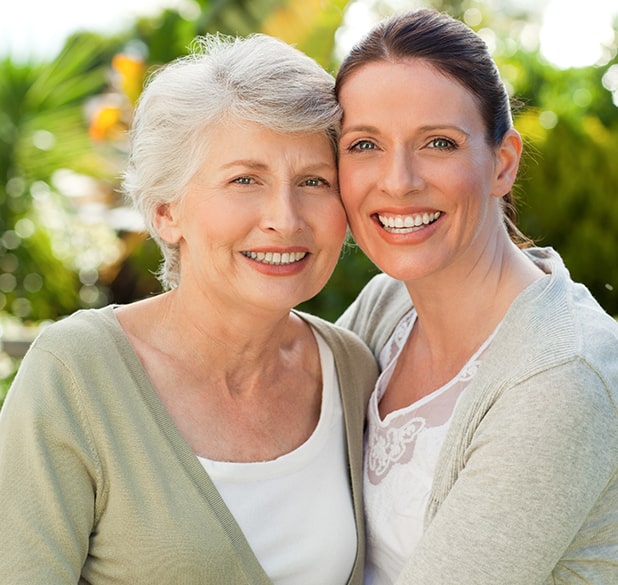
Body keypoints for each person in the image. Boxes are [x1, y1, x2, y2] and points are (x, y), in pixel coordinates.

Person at [0, 33, 378, 584]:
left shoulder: (353, 369)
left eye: (314, 181)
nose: (286, 218)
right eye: (245, 179)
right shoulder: (77, 373)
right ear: (165, 212)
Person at [335, 8, 618, 585]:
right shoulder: (386, 304)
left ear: (503, 164)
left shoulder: (561, 378)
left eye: (437, 142)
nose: (398, 181)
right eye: (364, 145)